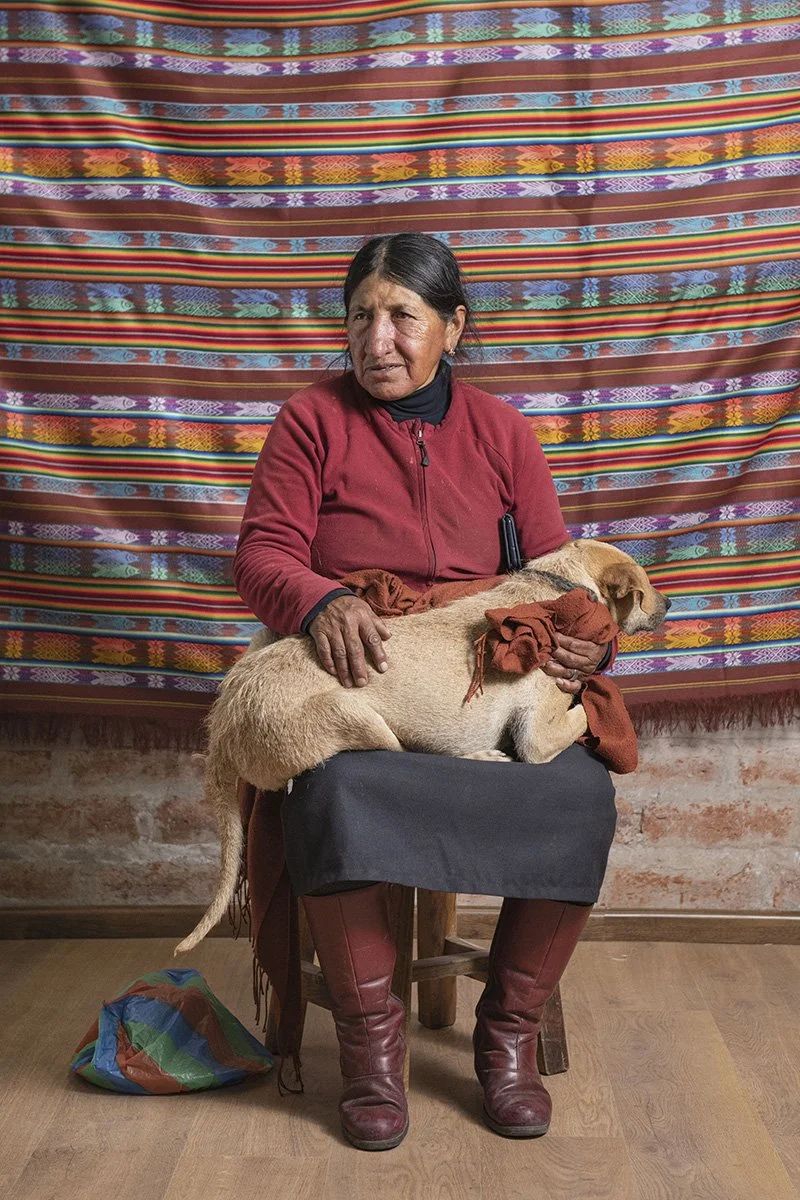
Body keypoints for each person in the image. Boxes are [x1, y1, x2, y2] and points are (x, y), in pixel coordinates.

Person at [232, 233, 617, 1152]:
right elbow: (261, 555)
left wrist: (577, 639)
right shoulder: (310, 422)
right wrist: (321, 599)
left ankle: (507, 1039)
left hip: (486, 672)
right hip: (367, 674)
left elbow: (559, 572)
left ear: (453, 327)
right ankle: (372, 1055)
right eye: (361, 316)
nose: (378, 339)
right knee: (331, 789)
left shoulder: (502, 431)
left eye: (403, 316)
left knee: (581, 790)